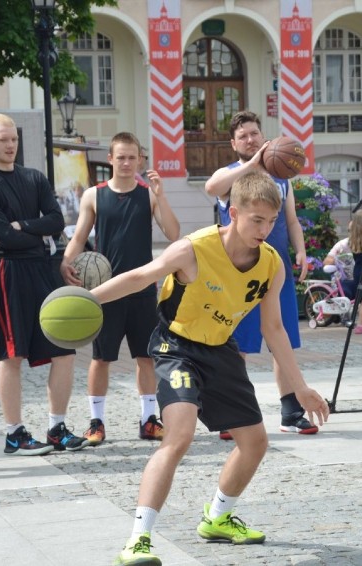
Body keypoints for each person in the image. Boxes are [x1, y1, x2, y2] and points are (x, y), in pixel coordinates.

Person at [99, 171, 329, 565]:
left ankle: (218, 517)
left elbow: (274, 329)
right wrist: (86, 299)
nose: (265, 228)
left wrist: (299, 387)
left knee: (255, 443)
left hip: (220, 349)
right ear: (233, 212)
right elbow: (141, 277)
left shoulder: (272, 265)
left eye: (271, 221)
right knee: (179, 436)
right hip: (177, 346)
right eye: (256, 220)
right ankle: (138, 540)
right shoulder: (193, 249)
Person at [0, 113, 86, 456]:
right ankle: (14, 433)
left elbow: (57, 220)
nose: (10, 146)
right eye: (3, 140)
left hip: (45, 271)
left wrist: (21, 225)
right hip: (9, 274)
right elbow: (4, 237)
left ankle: (56, 428)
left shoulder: (34, 178)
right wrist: (24, 231)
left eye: (14, 140)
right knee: (12, 355)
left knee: (64, 351)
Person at [61, 132, 180, 445]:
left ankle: (148, 420)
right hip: (107, 290)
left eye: (133, 157)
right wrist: (65, 263)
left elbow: (173, 233)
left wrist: (163, 196)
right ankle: (96, 422)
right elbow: (78, 237)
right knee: (101, 359)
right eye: (121, 157)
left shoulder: (149, 194)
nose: (127, 163)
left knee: (146, 358)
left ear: (140, 160)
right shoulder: (94, 195)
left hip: (142, 290)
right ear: (111, 159)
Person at [205, 110, 318, 439]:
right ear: (234, 143)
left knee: (281, 338)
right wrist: (253, 162)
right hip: (237, 270)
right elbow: (211, 187)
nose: (250, 139)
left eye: (254, 133)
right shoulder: (230, 175)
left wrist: (300, 249)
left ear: (263, 135)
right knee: (235, 343)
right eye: (243, 136)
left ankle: (291, 410)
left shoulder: (281, 176)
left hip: (276, 265)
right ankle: (233, 412)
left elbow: (292, 219)